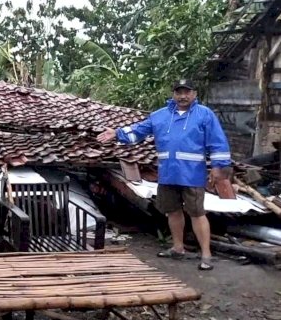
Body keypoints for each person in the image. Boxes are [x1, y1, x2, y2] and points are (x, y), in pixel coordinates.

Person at [96, 79, 232, 270]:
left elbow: (218, 143)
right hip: (168, 173)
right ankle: (177, 248)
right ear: (173, 94)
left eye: (187, 92)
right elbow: (139, 130)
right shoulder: (160, 116)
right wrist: (117, 133)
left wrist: (219, 168)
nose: (183, 96)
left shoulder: (205, 115)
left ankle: (206, 255)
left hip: (192, 175)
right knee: (173, 211)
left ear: (194, 94)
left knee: (197, 213)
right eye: (179, 92)